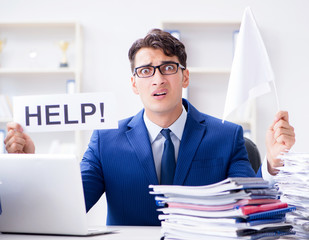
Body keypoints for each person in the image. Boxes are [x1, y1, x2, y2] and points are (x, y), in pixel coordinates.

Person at [4, 29, 295, 226]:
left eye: (168, 67)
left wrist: (273, 164)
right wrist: (31, 164)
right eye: (146, 71)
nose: (157, 79)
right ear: (134, 83)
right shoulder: (106, 140)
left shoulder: (227, 136)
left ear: (185, 77)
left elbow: (252, 210)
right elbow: (67, 208)